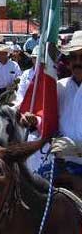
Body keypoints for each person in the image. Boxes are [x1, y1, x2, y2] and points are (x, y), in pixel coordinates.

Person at [22, 32, 82, 184]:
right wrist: (35, 120)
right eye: (73, 57)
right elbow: (50, 120)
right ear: (68, 61)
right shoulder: (60, 87)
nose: (77, 62)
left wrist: (77, 149)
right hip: (61, 162)